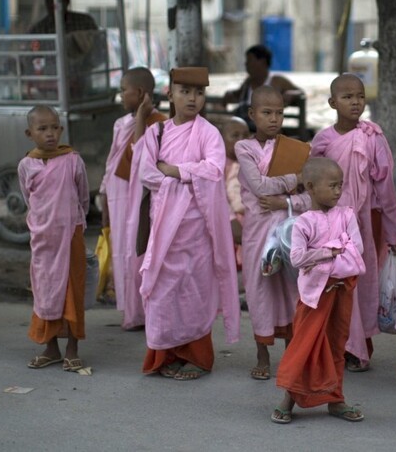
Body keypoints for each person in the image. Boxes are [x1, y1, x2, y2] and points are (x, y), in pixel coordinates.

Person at [138, 67, 240, 381]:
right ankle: (165, 356)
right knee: (163, 291)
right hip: (165, 228)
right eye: (185, 91)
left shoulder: (208, 132)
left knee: (194, 290)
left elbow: (213, 170)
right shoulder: (156, 132)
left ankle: (196, 358)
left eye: (198, 92)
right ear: (170, 93)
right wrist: (179, 176)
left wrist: (174, 171)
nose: (192, 98)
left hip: (198, 229)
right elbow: (147, 172)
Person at [310, 73, 396, 372]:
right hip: (328, 221)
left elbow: (386, 187)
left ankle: (357, 348)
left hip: (362, 222)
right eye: (348, 97)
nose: (355, 102)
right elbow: (310, 180)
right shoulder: (323, 139)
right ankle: (332, 346)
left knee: (358, 283)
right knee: (330, 284)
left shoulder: (372, 136)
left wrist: (393, 232)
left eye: (360, 96)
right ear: (332, 102)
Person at [272, 158, 365, 424]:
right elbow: (298, 258)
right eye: (332, 186)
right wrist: (333, 250)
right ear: (311, 187)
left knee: (337, 345)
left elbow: (356, 251)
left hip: (341, 292)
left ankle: (336, 400)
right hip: (313, 297)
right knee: (306, 346)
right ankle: (288, 400)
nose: (338, 191)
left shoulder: (347, 215)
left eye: (341, 186)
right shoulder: (303, 223)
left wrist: (325, 258)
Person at [236, 86, 310, 381]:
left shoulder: (294, 148)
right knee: (259, 290)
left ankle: (292, 353)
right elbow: (260, 187)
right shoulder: (244, 148)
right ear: (252, 115)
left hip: (289, 228)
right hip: (258, 230)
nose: (274, 119)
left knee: (291, 290)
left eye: (279, 113)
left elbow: (308, 195)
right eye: (266, 113)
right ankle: (262, 353)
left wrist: (287, 198)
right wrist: (296, 178)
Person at [18, 105, 90, 372]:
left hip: (70, 235)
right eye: (42, 128)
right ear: (30, 133)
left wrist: (73, 222)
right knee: (46, 291)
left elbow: (83, 197)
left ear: (60, 129)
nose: (50, 134)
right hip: (42, 239)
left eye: (54, 127)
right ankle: (51, 348)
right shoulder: (27, 165)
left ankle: (72, 349)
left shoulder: (72, 160)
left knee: (72, 292)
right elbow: (30, 200)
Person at [99, 67, 166, 330]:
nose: (120, 96)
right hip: (118, 199)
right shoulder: (120, 124)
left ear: (139, 93)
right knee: (123, 252)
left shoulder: (158, 123)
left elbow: (141, 158)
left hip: (140, 199)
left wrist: (141, 116)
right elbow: (110, 163)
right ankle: (131, 311)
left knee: (140, 252)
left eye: (123, 90)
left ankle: (143, 312)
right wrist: (104, 194)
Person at [223, 44, 303, 131]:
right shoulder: (248, 82)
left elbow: (300, 92)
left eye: (249, 60)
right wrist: (229, 94)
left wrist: (291, 94)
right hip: (246, 130)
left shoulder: (277, 81)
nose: (246, 64)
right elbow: (238, 95)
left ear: (262, 62)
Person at [221, 116, 249, 256]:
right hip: (229, 224)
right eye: (235, 136)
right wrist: (231, 221)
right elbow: (219, 196)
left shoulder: (251, 164)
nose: (241, 140)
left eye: (245, 135)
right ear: (222, 140)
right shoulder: (220, 165)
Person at [29, 0, 99, 34]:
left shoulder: (85, 22)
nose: (53, 7)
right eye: (49, 2)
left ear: (67, 1)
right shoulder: (39, 29)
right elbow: (33, 51)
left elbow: (98, 45)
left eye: (56, 3)